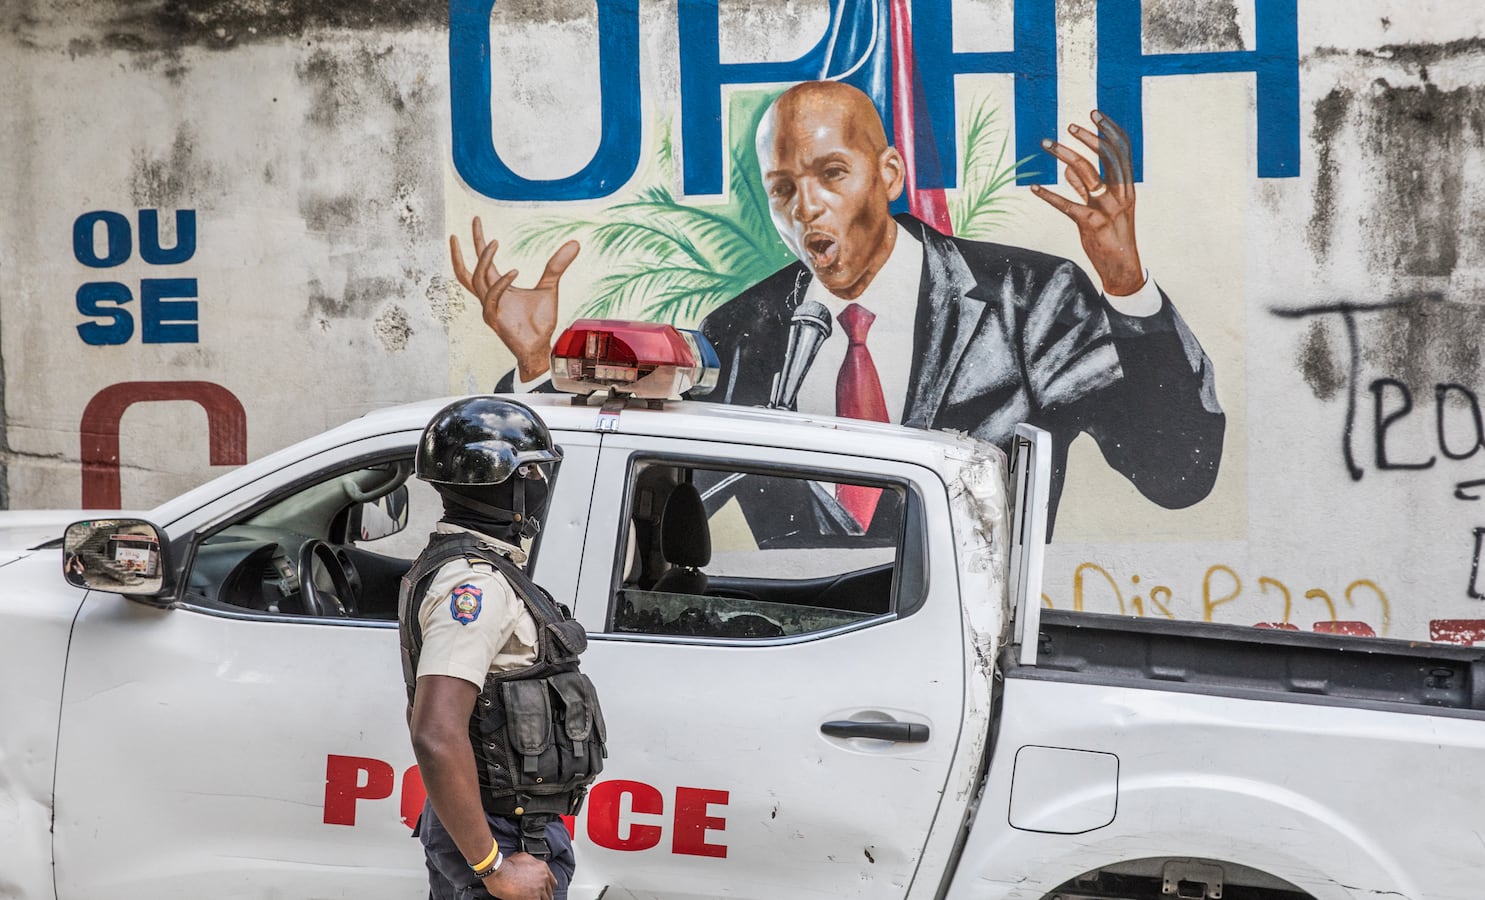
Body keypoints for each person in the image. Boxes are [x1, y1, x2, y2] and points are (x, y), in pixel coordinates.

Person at [451, 80, 1224, 533]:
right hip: (801, 664)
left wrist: (1125, 286)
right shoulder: (740, 334)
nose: (808, 211)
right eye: (784, 190)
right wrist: (531, 367)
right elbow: (624, 500)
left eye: (832, 174)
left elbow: (1178, 475)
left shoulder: (1028, 300)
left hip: (973, 657)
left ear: (887, 172)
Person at [400, 396, 605, 900]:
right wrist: (494, 868)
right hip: (505, 835)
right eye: (531, 472)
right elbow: (435, 732)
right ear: (499, 479)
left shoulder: (477, 568)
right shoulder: (474, 586)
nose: (539, 484)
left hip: (506, 825)